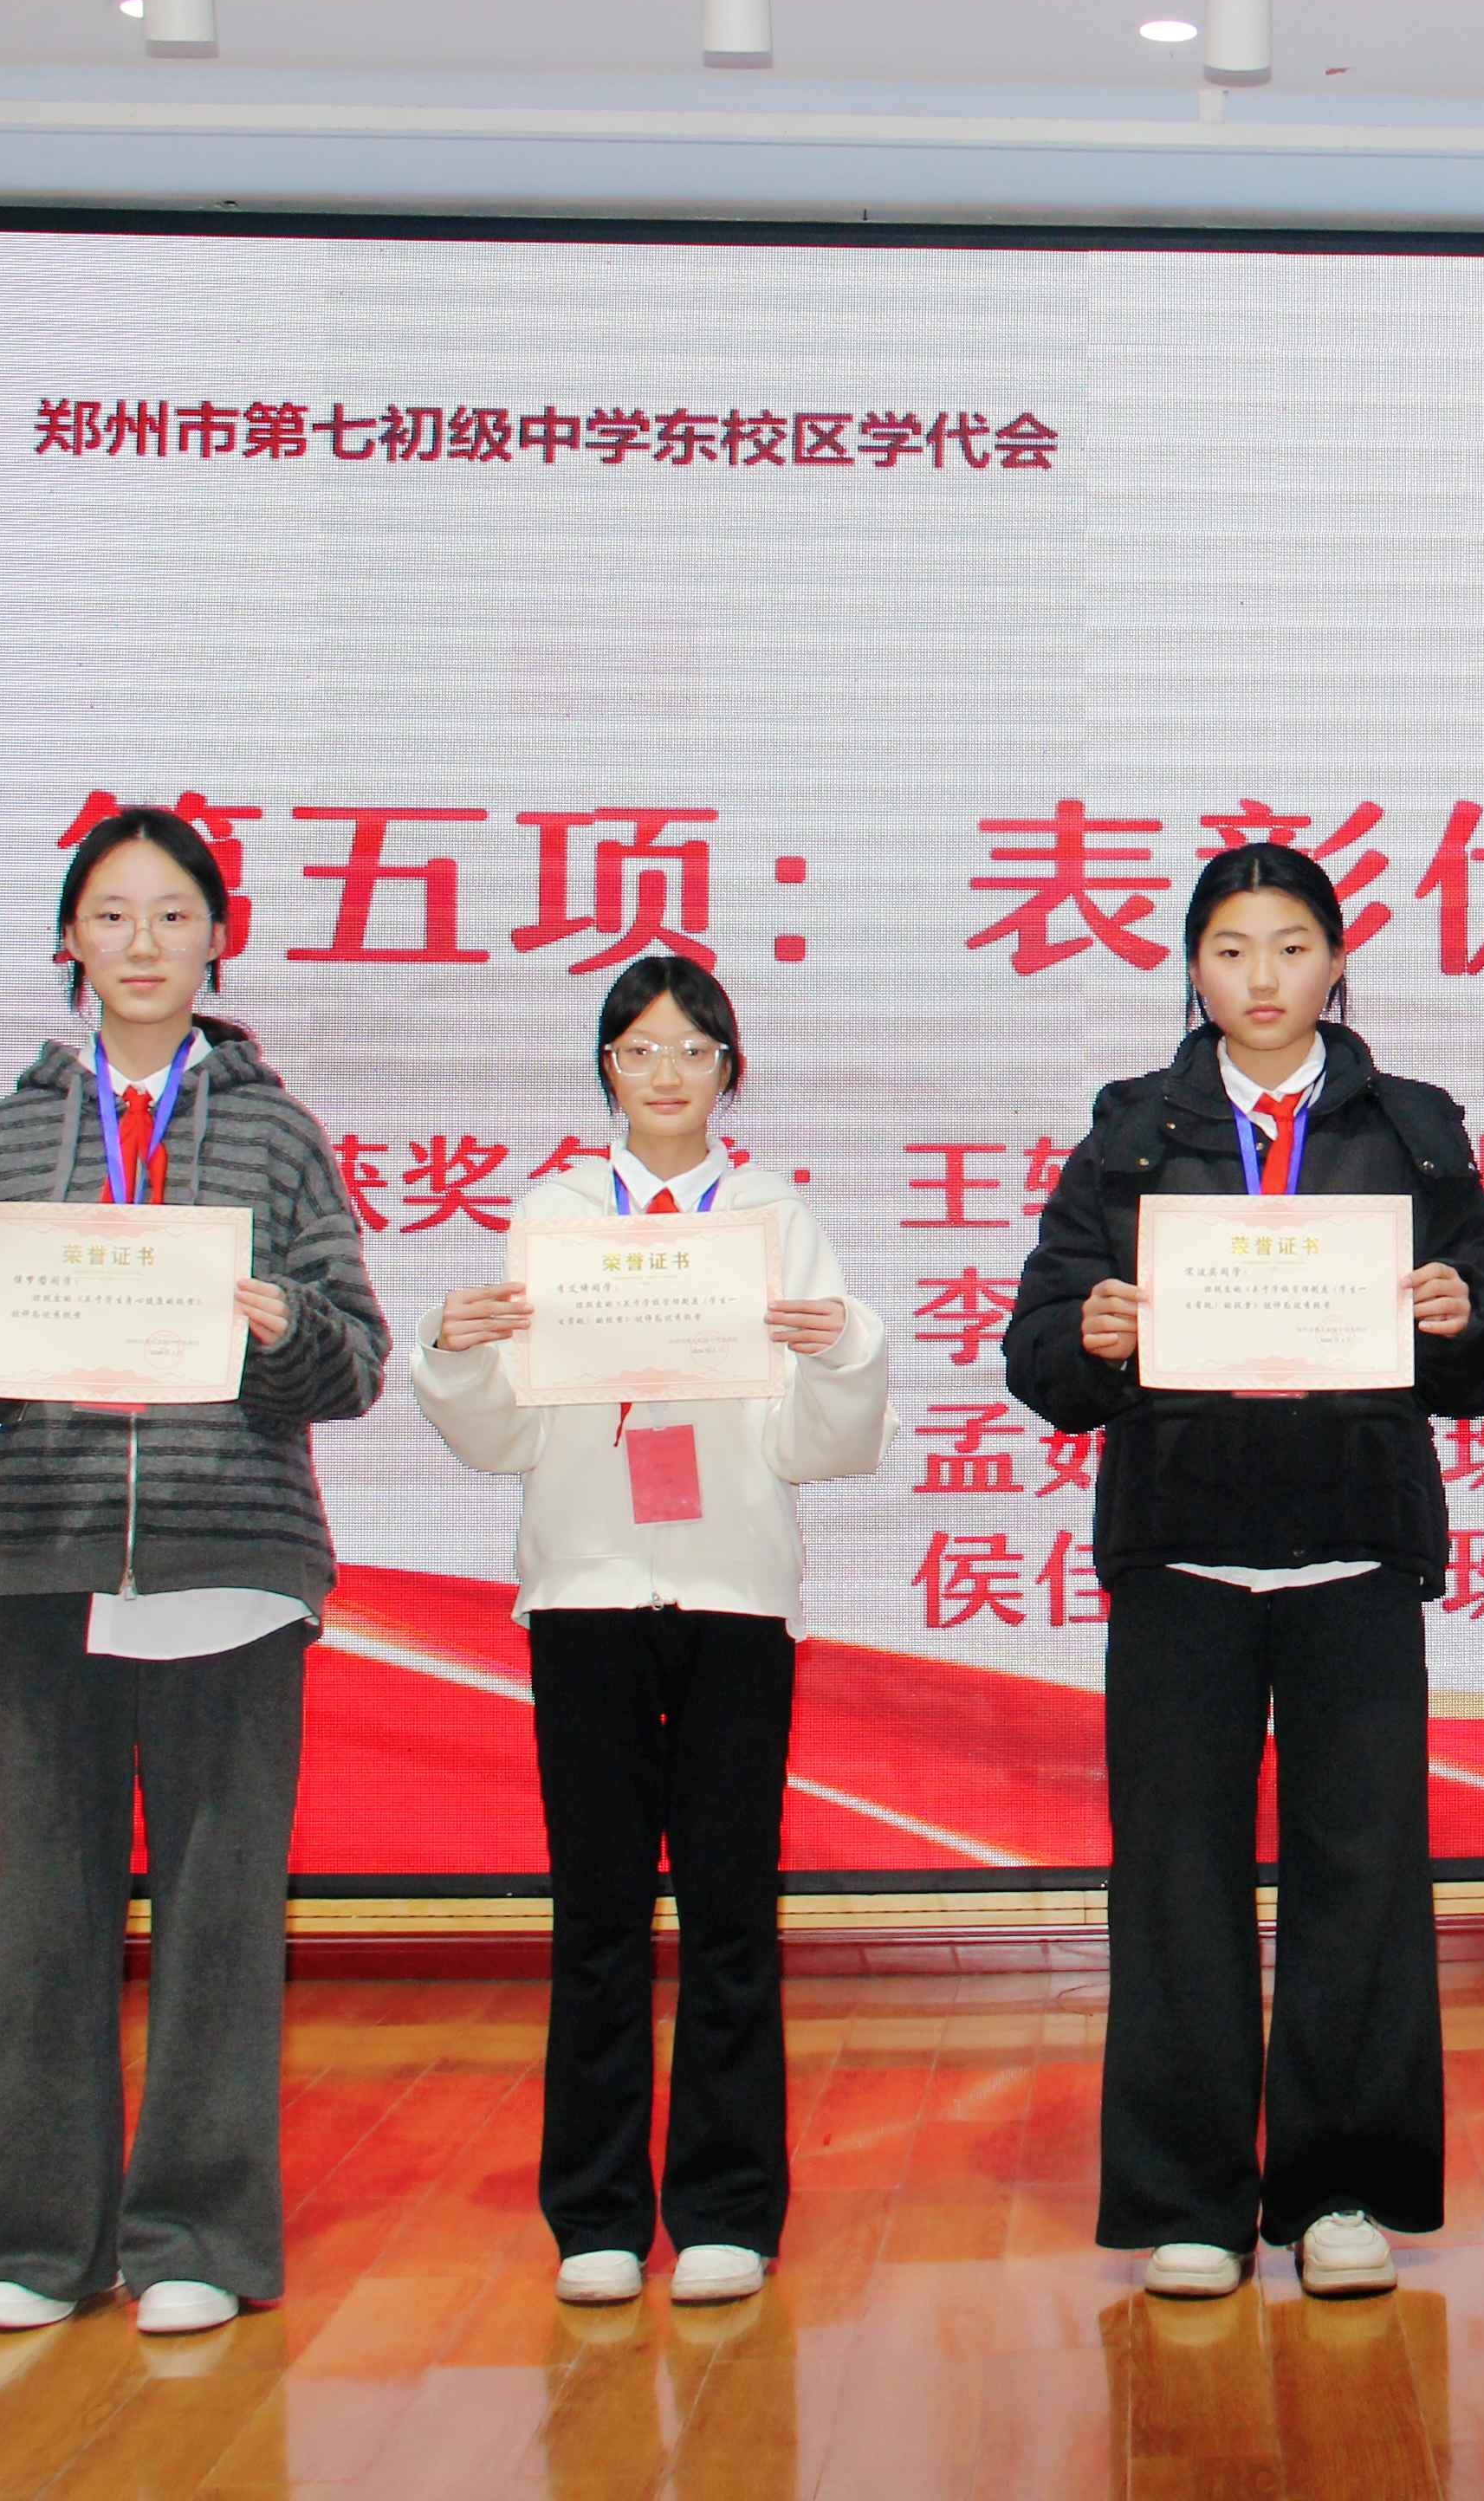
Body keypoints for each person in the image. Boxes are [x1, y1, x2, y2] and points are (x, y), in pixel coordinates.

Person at [1002, 843, 1484, 2301]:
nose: (1262, 978)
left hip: (1355, 1553)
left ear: (1336, 963)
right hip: (1181, 1557)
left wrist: (1458, 1318)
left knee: (1361, 1877)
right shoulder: (1132, 1135)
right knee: (1174, 1882)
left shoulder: (1411, 1130)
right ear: (1193, 967)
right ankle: (1190, 2202)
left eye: (1292, 948)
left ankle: (1341, 2193)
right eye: (1232, 950)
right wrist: (1092, 1338)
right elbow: (1037, 1352)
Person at [0, 805, 392, 2337]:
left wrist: (284, 1330)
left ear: (218, 940)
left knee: (219, 1915)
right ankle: (29, 2244)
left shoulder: (276, 1136)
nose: (142, 944)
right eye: (111, 916)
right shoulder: (5, 1137)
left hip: (229, 1556)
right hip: (41, 1554)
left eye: (173, 916)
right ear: (70, 939)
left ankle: (196, 2240)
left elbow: (356, 1361)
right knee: (47, 1911)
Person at [412, 955, 890, 2310]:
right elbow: (507, 1433)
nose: (666, 1074)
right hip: (585, 1591)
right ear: (605, 1070)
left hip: (737, 1592)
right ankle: (599, 2220)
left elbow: (816, 1445)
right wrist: (455, 1351)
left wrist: (844, 1351)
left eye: (693, 1051)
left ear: (730, 1070)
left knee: (733, 1910)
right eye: (639, 1050)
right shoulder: (555, 1214)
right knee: (600, 1913)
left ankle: (729, 2210)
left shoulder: (774, 1217)